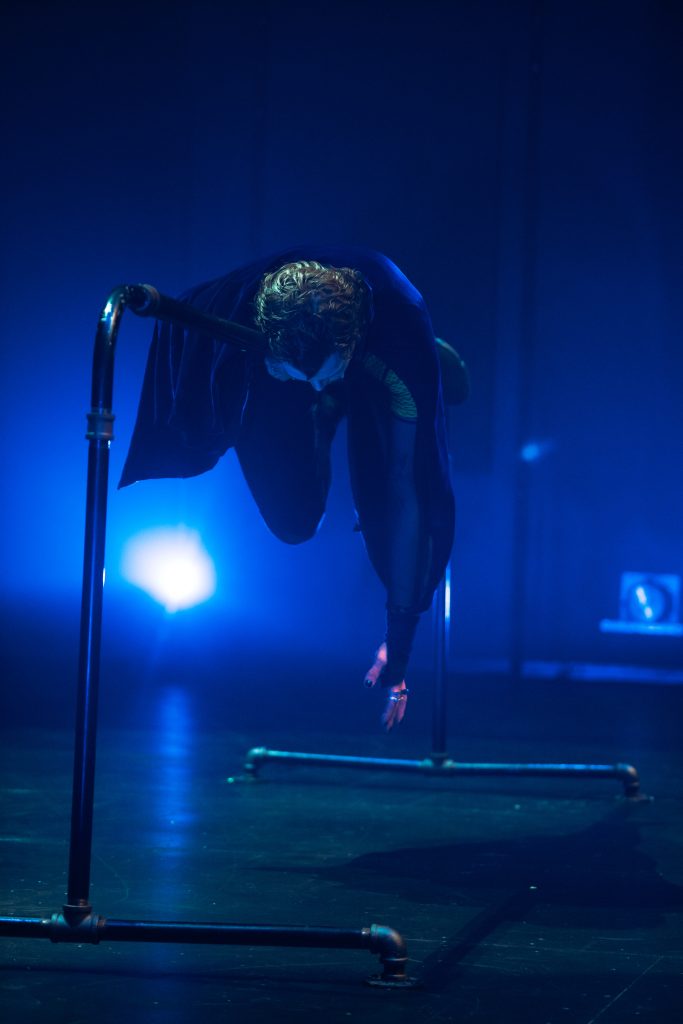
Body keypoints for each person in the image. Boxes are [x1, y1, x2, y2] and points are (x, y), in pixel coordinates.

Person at [120, 245, 461, 729]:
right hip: (271, 352)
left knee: (401, 497)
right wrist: (288, 375)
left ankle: (344, 385)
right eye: (310, 379)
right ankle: (321, 404)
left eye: (325, 377)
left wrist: (399, 641)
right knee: (294, 523)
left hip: (379, 353)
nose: (315, 384)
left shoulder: (399, 338)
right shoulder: (238, 314)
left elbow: (410, 494)